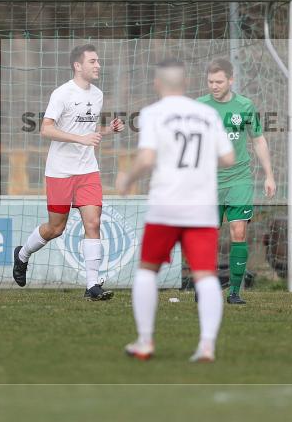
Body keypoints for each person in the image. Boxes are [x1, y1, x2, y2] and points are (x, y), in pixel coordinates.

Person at [118, 58, 235, 362]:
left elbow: (146, 159)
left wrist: (127, 178)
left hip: (165, 206)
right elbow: (228, 158)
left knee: (147, 270)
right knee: (206, 276)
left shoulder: (153, 113)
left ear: (157, 84)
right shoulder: (207, 114)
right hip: (200, 206)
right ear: (185, 85)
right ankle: (207, 345)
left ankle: (145, 342)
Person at [12, 44, 125, 300]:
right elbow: (46, 129)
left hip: (88, 170)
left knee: (93, 222)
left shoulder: (97, 94)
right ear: (78, 65)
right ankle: (23, 254)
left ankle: (92, 286)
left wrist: (108, 130)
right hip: (60, 171)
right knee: (56, 228)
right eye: (93, 61)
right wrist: (79, 139)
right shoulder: (62, 93)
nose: (98, 65)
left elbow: (89, 130)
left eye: (98, 61)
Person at [196, 58, 275, 305]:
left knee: (238, 231)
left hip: (239, 178)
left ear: (231, 80)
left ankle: (234, 292)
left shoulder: (245, 105)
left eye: (219, 81)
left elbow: (258, 140)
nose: (214, 86)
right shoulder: (199, 107)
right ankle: (204, 286)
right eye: (210, 81)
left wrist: (269, 175)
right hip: (209, 181)